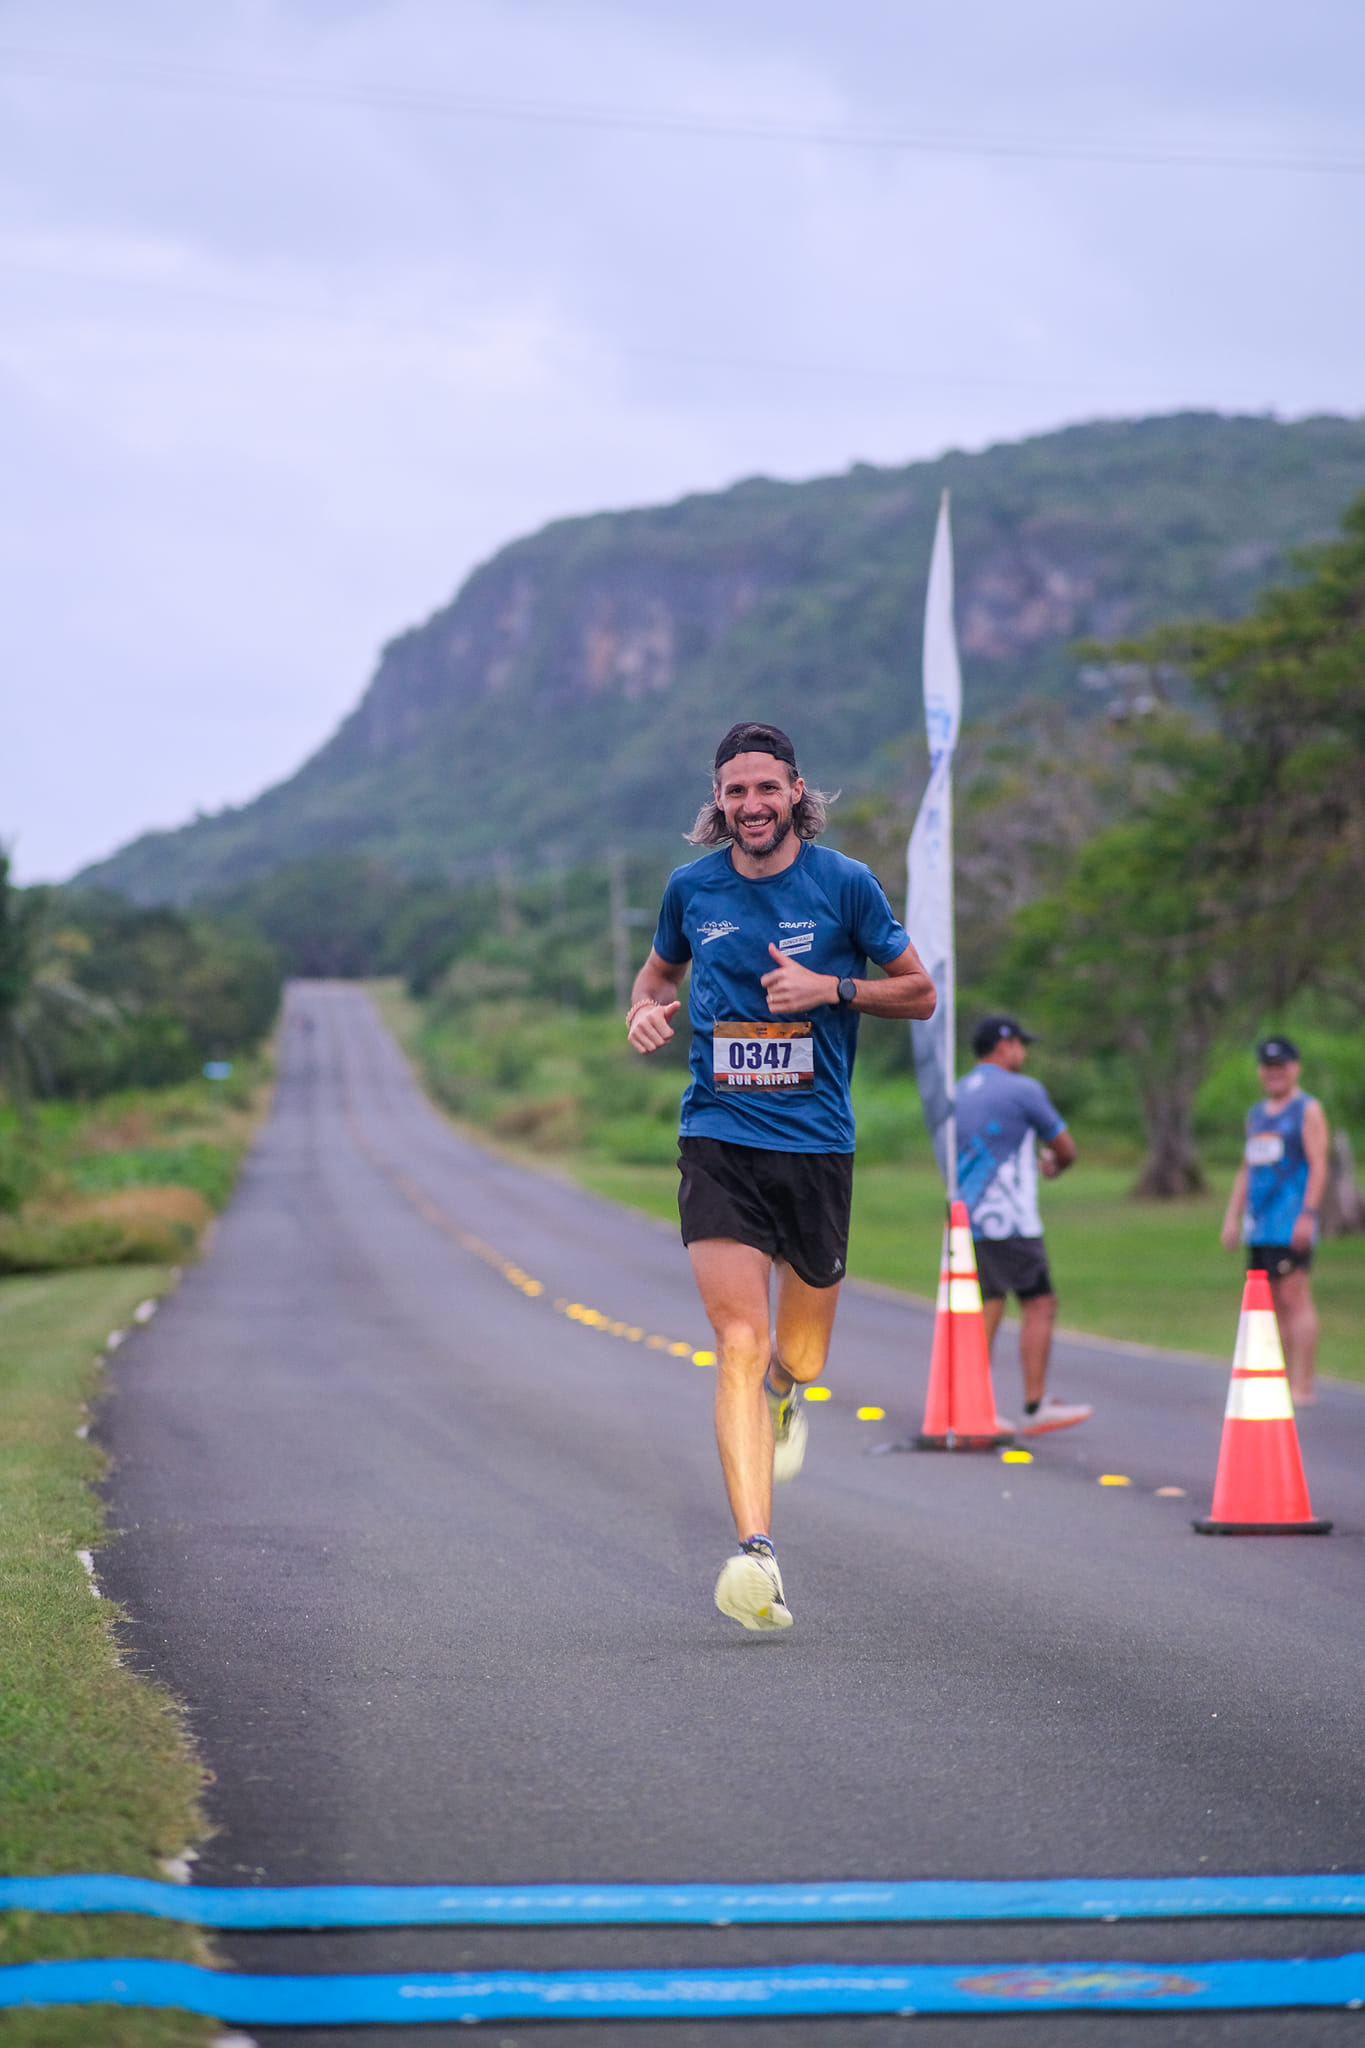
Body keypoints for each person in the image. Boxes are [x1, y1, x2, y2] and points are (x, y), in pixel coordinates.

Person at [626, 721, 935, 1632]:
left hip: (814, 1146)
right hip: (717, 1136)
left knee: (796, 1356)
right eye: (734, 792)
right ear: (716, 804)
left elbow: (919, 993)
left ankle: (790, 1400)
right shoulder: (693, 889)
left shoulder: (843, 885)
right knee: (737, 1341)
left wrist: (831, 990)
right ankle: (754, 1552)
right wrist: (643, 1015)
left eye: (766, 789)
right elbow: (652, 980)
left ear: (795, 791)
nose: (751, 805)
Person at [955, 1015, 1091, 1435]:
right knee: (1038, 1304)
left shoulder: (957, 1091)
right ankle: (1028, 1405)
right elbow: (1065, 1148)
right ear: (1005, 1044)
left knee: (988, 1304)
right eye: (1021, 1044)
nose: (1024, 1053)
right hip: (1010, 1219)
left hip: (968, 1215)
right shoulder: (1023, 1090)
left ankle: (968, 1403)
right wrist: (1054, 1166)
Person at [1219, 1035, 1328, 1405]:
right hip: (1260, 1225)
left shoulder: (1307, 1110)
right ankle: (1275, 1377)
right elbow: (1247, 1168)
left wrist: (1308, 1215)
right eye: (1268, 1067)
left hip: (1291, 1222)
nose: (1274, 1073)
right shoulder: (1257, 1114)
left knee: (1295, 1296)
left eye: (1281, 1066)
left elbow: (1318, 1164)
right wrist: (1231, 1217)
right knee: (1270, 1304)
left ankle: (1303, 1384)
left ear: (1294, 1068)